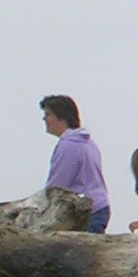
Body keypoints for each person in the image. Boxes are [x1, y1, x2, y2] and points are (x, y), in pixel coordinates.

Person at [40, 95, 110, 234]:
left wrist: (40, 206)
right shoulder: (88, 143)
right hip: (99, 206)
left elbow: (58, 184)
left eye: (48, 114)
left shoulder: (69, 145)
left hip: (85, 212)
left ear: (62, 117)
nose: (44, 119)